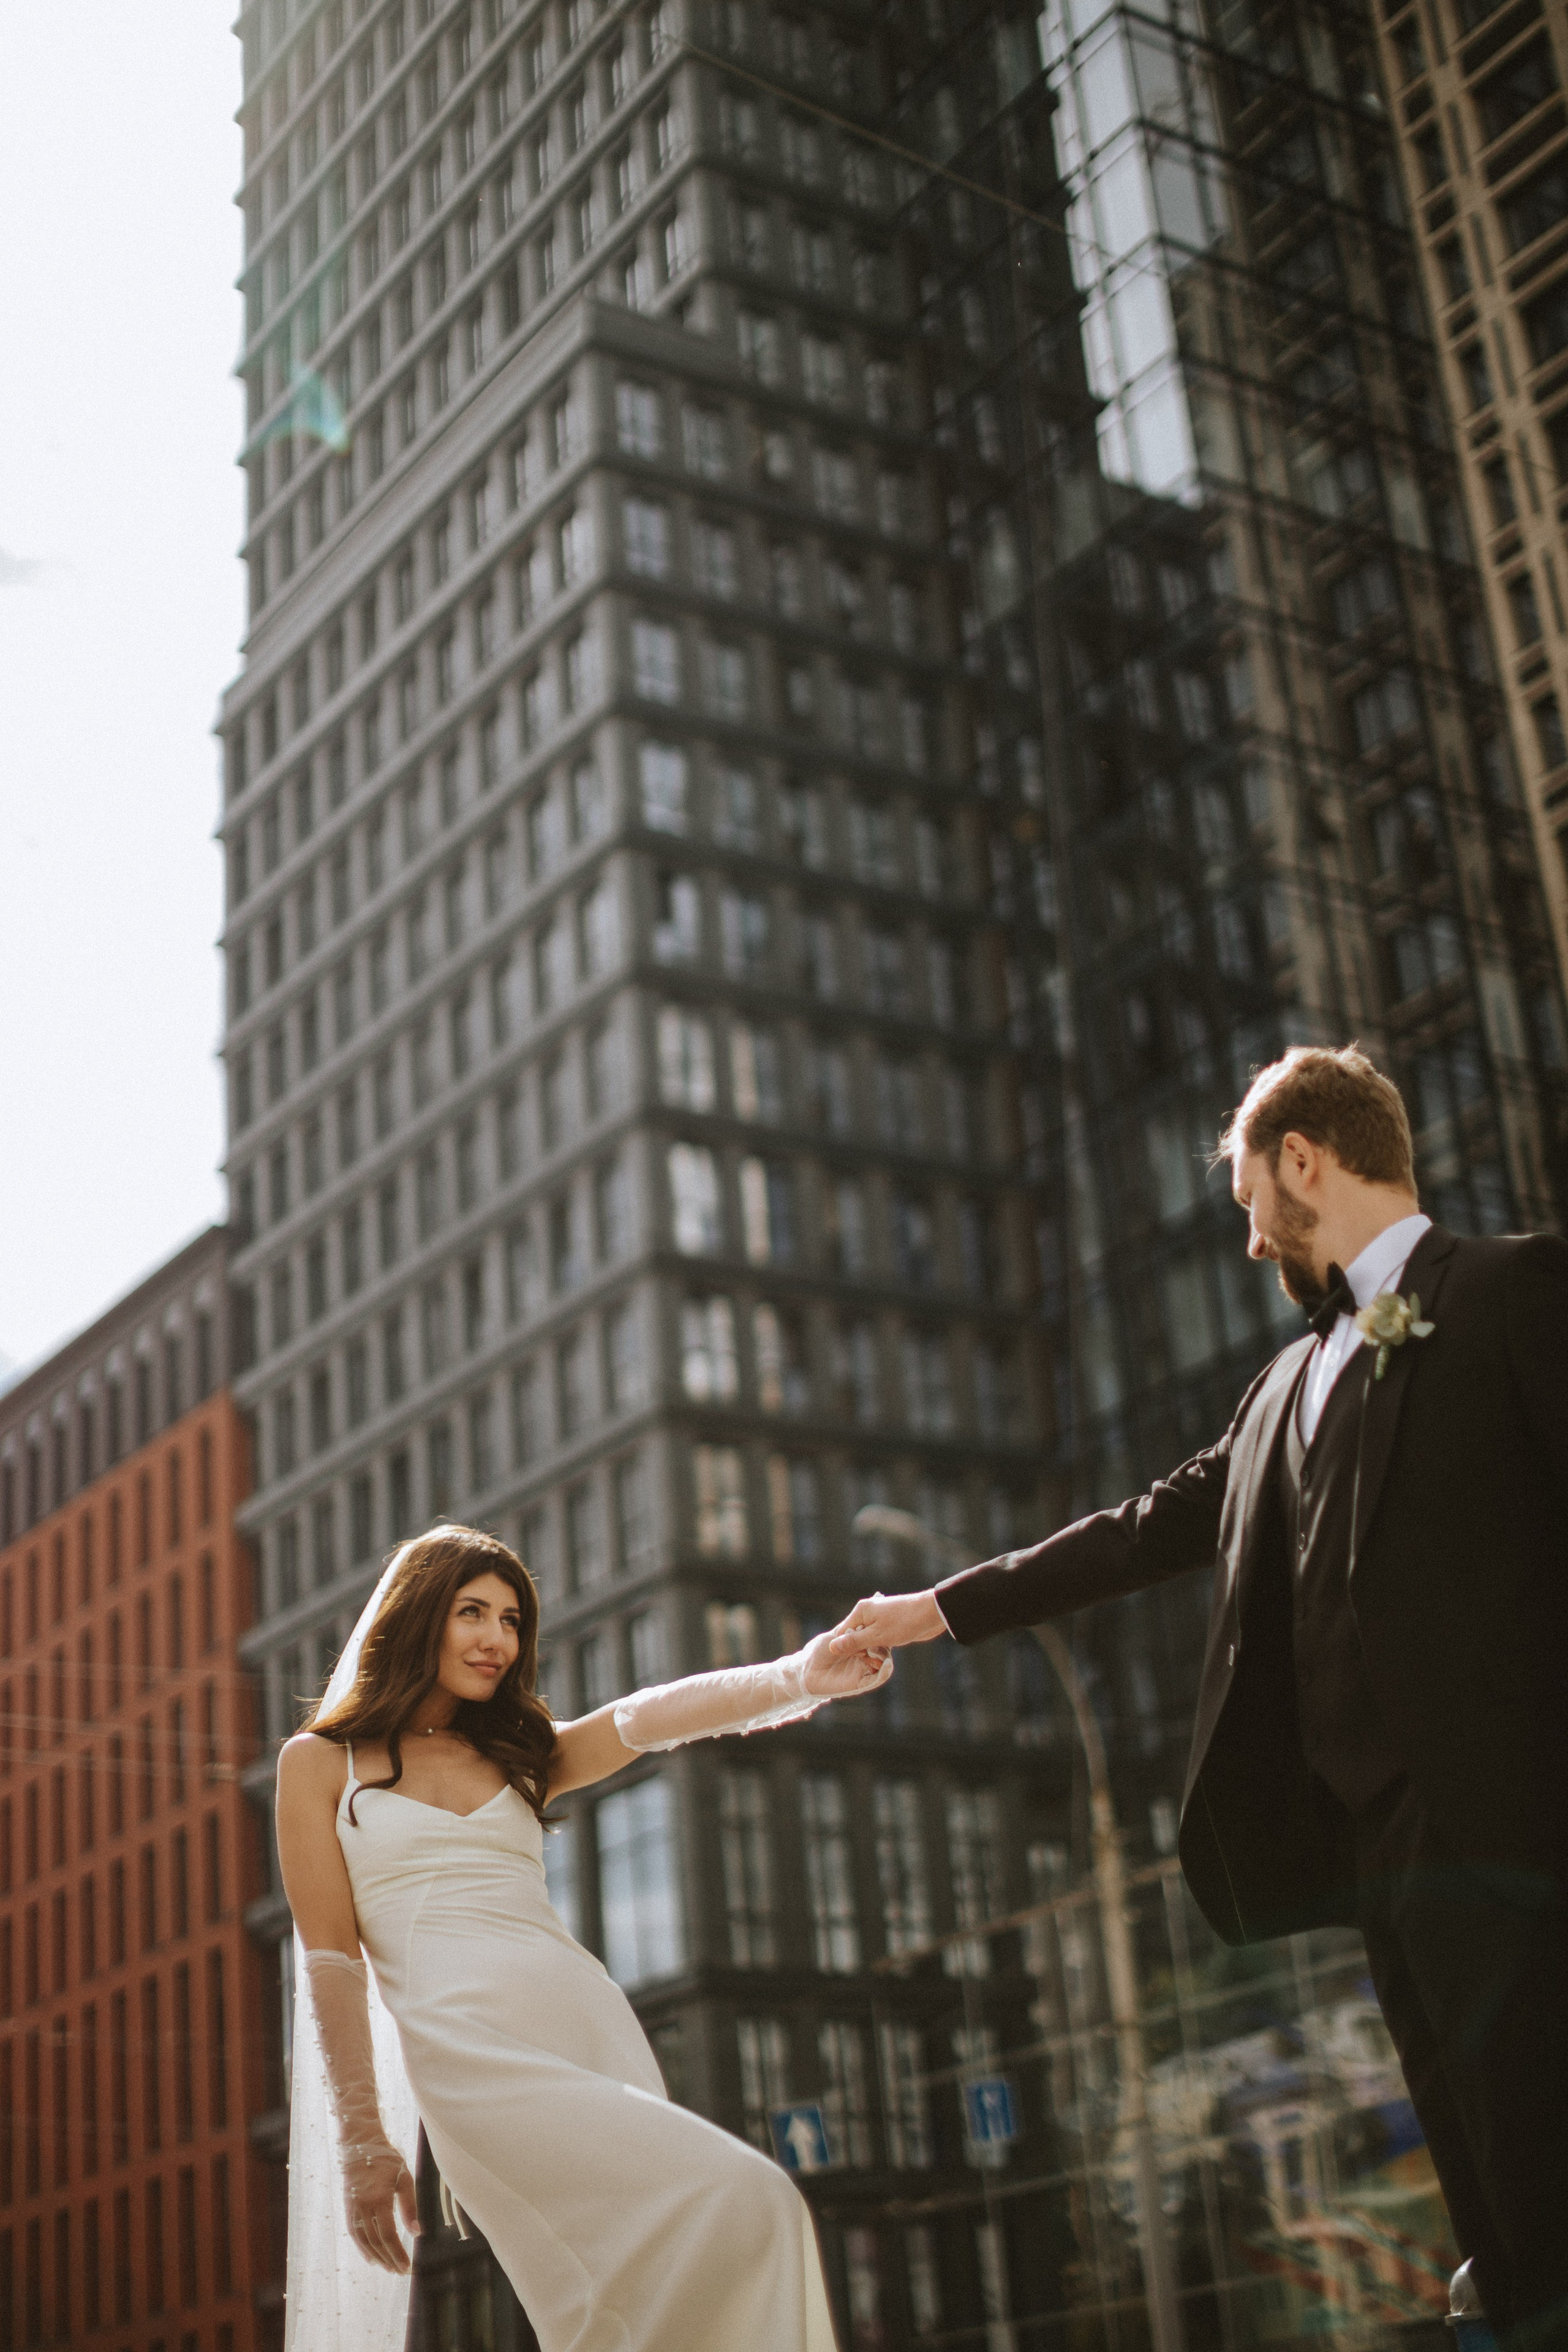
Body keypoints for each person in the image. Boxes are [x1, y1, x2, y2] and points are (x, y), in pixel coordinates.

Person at [832, 1046, 1568, 2347]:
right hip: (1378, 1850)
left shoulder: (1514, 1293)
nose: (1245, 1241)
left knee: (1537, 2141)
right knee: (1466, 2150)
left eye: (1245, 1203)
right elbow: (1135, 1531)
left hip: (1515, 1825)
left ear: (1303, 1161)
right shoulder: (1280, 1387)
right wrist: (940, 1609)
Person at [276, 1520, 891, 2352]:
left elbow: (649, 1716)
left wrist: (799, 1676)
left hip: (584, 2026)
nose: (497, 1638)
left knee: (634, 2294)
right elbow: (330, 1961)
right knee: (749, 2196)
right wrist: (360, 2138)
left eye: (512, 1620)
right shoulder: (317, 1766)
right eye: (473, 1612)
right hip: (469, 2060)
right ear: (419, 1614)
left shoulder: (520, 1757)